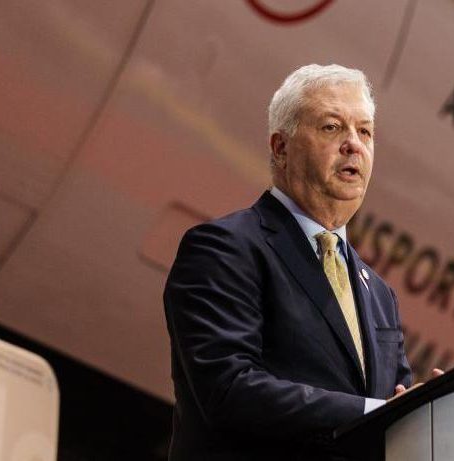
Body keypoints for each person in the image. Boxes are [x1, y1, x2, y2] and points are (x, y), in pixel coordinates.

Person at [163, 64, 422, 460]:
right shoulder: (226, 247)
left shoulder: (379, 294)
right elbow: (229, 389)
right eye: (332, 127)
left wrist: (428, 410)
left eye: (365, 131)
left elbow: (396, 412)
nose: (354, 144)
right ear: (280, 148)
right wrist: (373, 413)